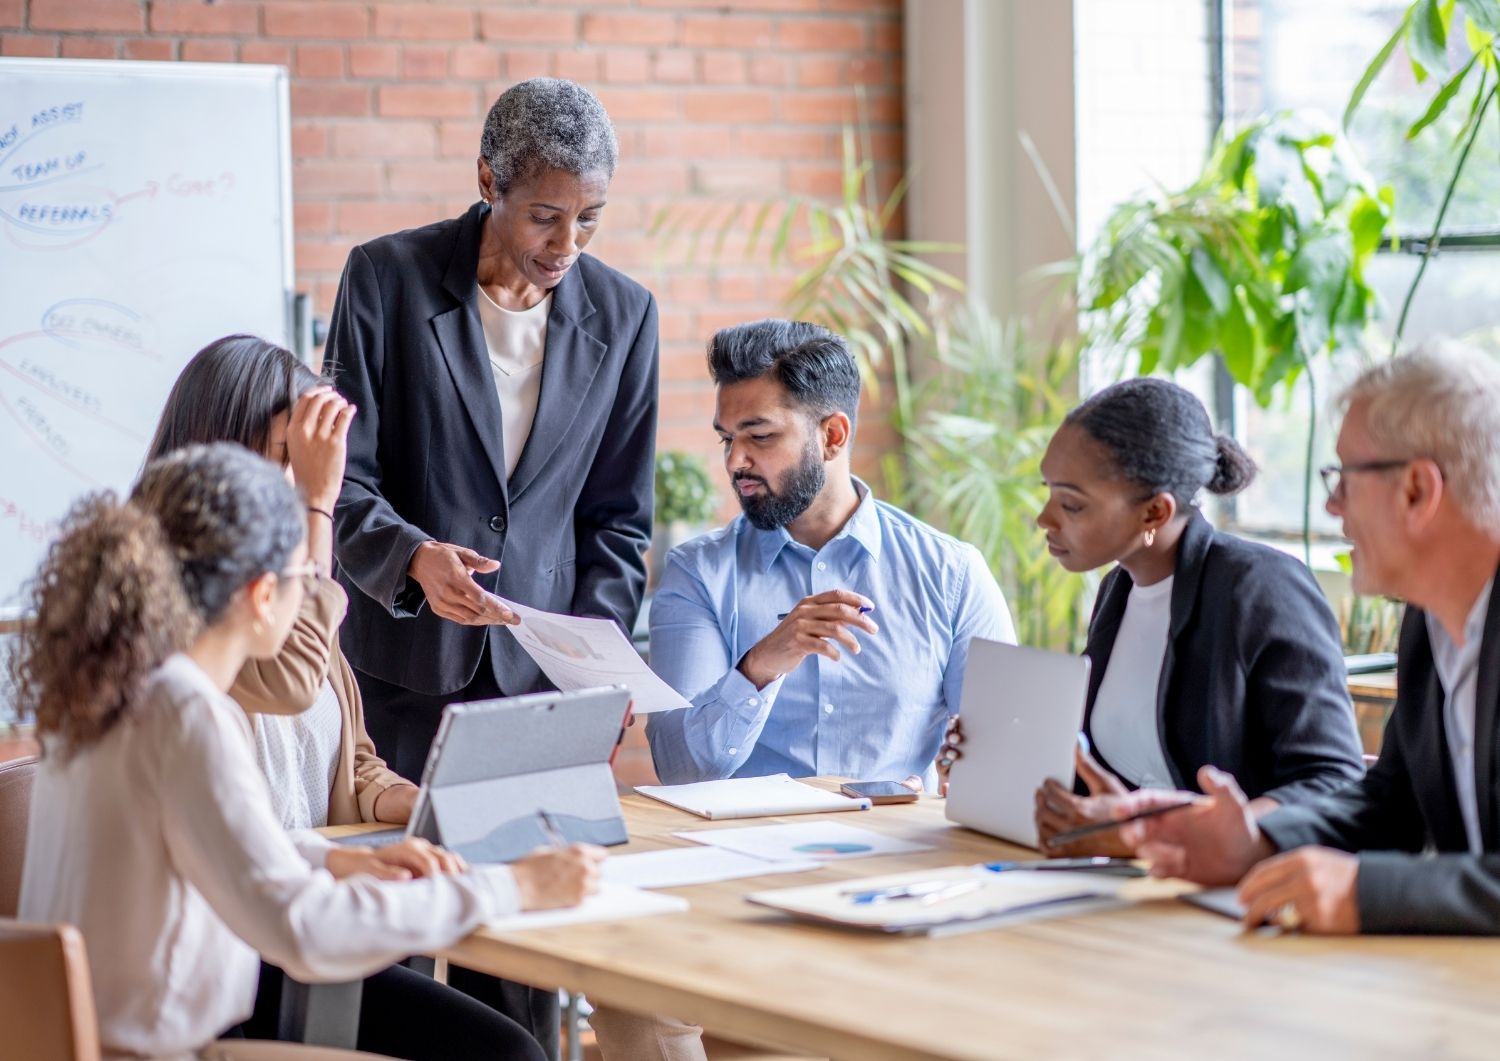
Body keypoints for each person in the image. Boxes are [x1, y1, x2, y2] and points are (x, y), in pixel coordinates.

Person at [15, 443, 602, 1059]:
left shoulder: (115, 693)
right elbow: (303, 930)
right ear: (263, 595)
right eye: (306, 578)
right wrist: (514, 888)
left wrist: (329, 858)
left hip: (82, 1042)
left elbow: (203, 842)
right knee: (509, 1053)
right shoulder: (186, 713)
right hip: (159, 1051)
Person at [327, 77, 657, 1050]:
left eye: (590, 219)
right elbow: (341, 478)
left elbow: (618, 521)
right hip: (401, 676)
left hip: (535, 694)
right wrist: (413, 556)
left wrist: (595, 663)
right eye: (546, 215)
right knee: (387, 960)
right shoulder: (385, 279)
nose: (567, 244)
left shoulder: (626, 314)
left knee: (517, 979)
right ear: (488, 182)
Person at [1123, 347, 1500, 935]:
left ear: (1417, 490)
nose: (1331, 504)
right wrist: (1257, 839)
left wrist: (1370, 893)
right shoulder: (1429, 622)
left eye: (1345, 478)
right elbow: (1391, 803)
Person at [940, 378, 1366, 854]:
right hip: (1134, 875)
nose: (1045, 518)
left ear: (1154, 513)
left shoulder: (1262, 588)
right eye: (1050, 493)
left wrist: (1153, 831)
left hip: (1240, 885)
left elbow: (1333, 782)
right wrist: (993, 762)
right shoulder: (1118, 591)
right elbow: (1119, 778)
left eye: (1071, 504)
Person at [643, 319, 1016, 791]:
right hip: (753, 840)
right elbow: (679, 768)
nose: (735, 462)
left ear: (832, 436)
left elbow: (1005, 758)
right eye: (727, 439)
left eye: (760, 436)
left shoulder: (951, 574)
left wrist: (957, 781)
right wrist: (760, 665)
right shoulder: (697, 573)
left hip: (895, 837)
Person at [146, 334, 418, 830]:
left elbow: (351, 756)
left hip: (316, 860)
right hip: (246, 870)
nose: (301, 476)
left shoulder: (284, 572)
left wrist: (399, 797)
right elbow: (291, 684)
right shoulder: (162, 589)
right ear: (226, 450)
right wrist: (317, 503)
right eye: (289, 454)